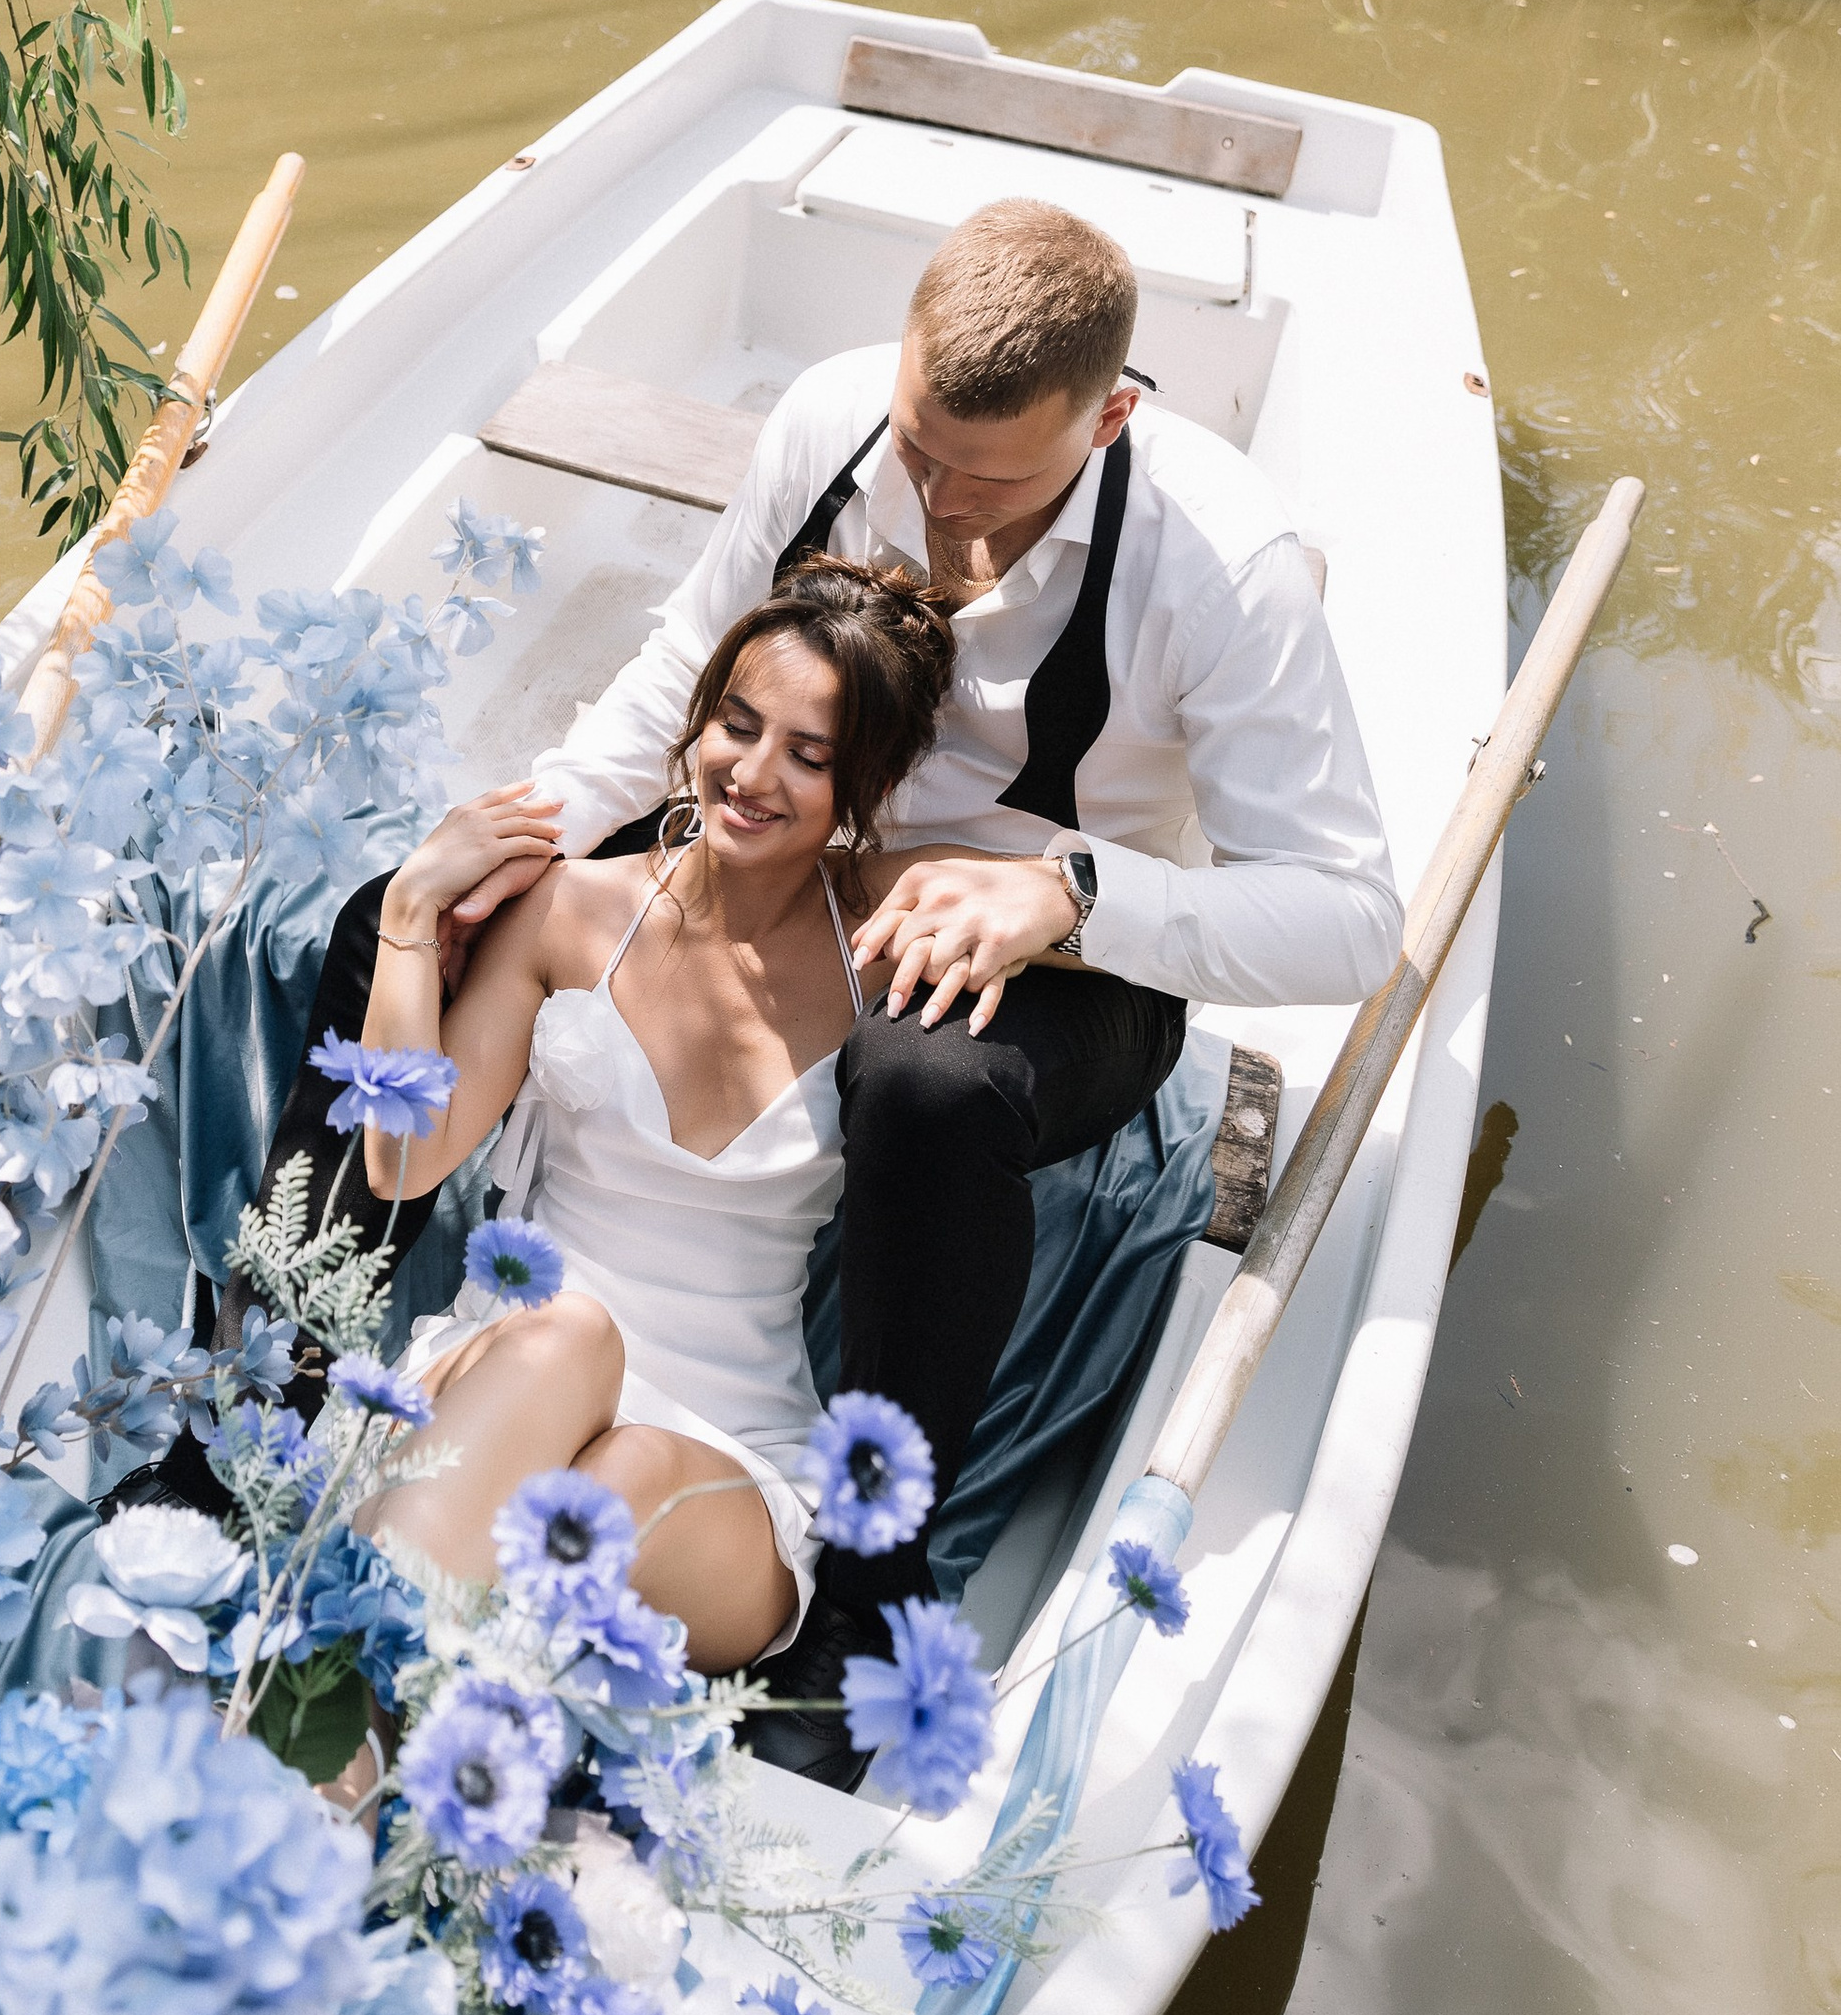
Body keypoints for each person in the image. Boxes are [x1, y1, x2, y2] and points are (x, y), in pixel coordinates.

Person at [255, 193, 1401, 1783]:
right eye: (913, 451)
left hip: (1074, 945)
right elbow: (688, 664)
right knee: (402, 904)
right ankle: (268, 1371)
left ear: (1113, 416)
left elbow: (1349, 922)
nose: (929, 509)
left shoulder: (1223, 570)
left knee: (924, 1084)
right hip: (811, 826)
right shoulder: (833, 421)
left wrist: (1067, 893)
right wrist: (514, 851)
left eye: (985, 483)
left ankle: (866, 1599)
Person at [348, 560, 957, 1674]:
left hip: (722, 1457)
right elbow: (398, 1159)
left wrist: (1057, 898)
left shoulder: (892, 940)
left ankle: (363, 1707)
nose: (752, 772)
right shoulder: (574, 908)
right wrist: (405, 916)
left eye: (810, 757)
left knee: (617, 1480)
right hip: (512, 1372)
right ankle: (350, 1723)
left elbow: (1086, 905)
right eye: (736, 723)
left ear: (865, 783)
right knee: (571, 1330)